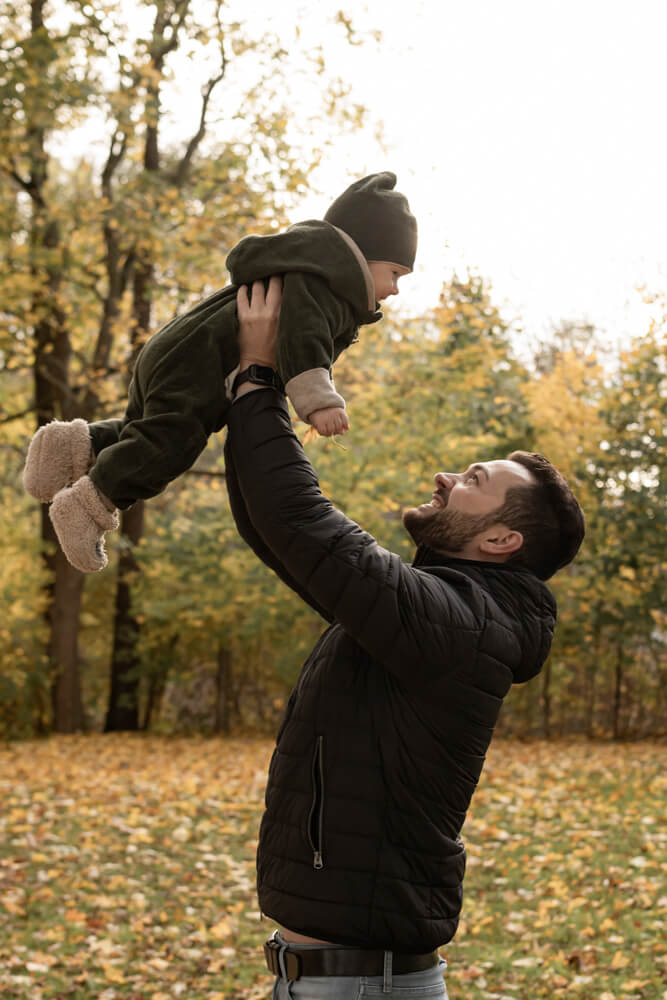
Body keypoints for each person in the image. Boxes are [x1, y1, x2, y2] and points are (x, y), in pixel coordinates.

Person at [224, 277, 585, 999]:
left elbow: (302, 521)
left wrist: (262, 377)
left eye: (473, 480)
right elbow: (280, 532)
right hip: (332, 983)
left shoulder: (457, 627)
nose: (447, 476)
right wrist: (241, 395)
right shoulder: (436, 615)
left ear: (500, 537)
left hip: (359, 987)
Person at [22, 172, 416, 572]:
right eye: (396, 273)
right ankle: (90, 503)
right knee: (168, 445)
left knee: (145, 431)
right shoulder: (323, 285)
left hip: (176, 351)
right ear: (361, 256)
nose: (396, 289)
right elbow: (304, 340)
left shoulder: (305, 267)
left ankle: (74, 444)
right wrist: (319, 402)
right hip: (200, 365)